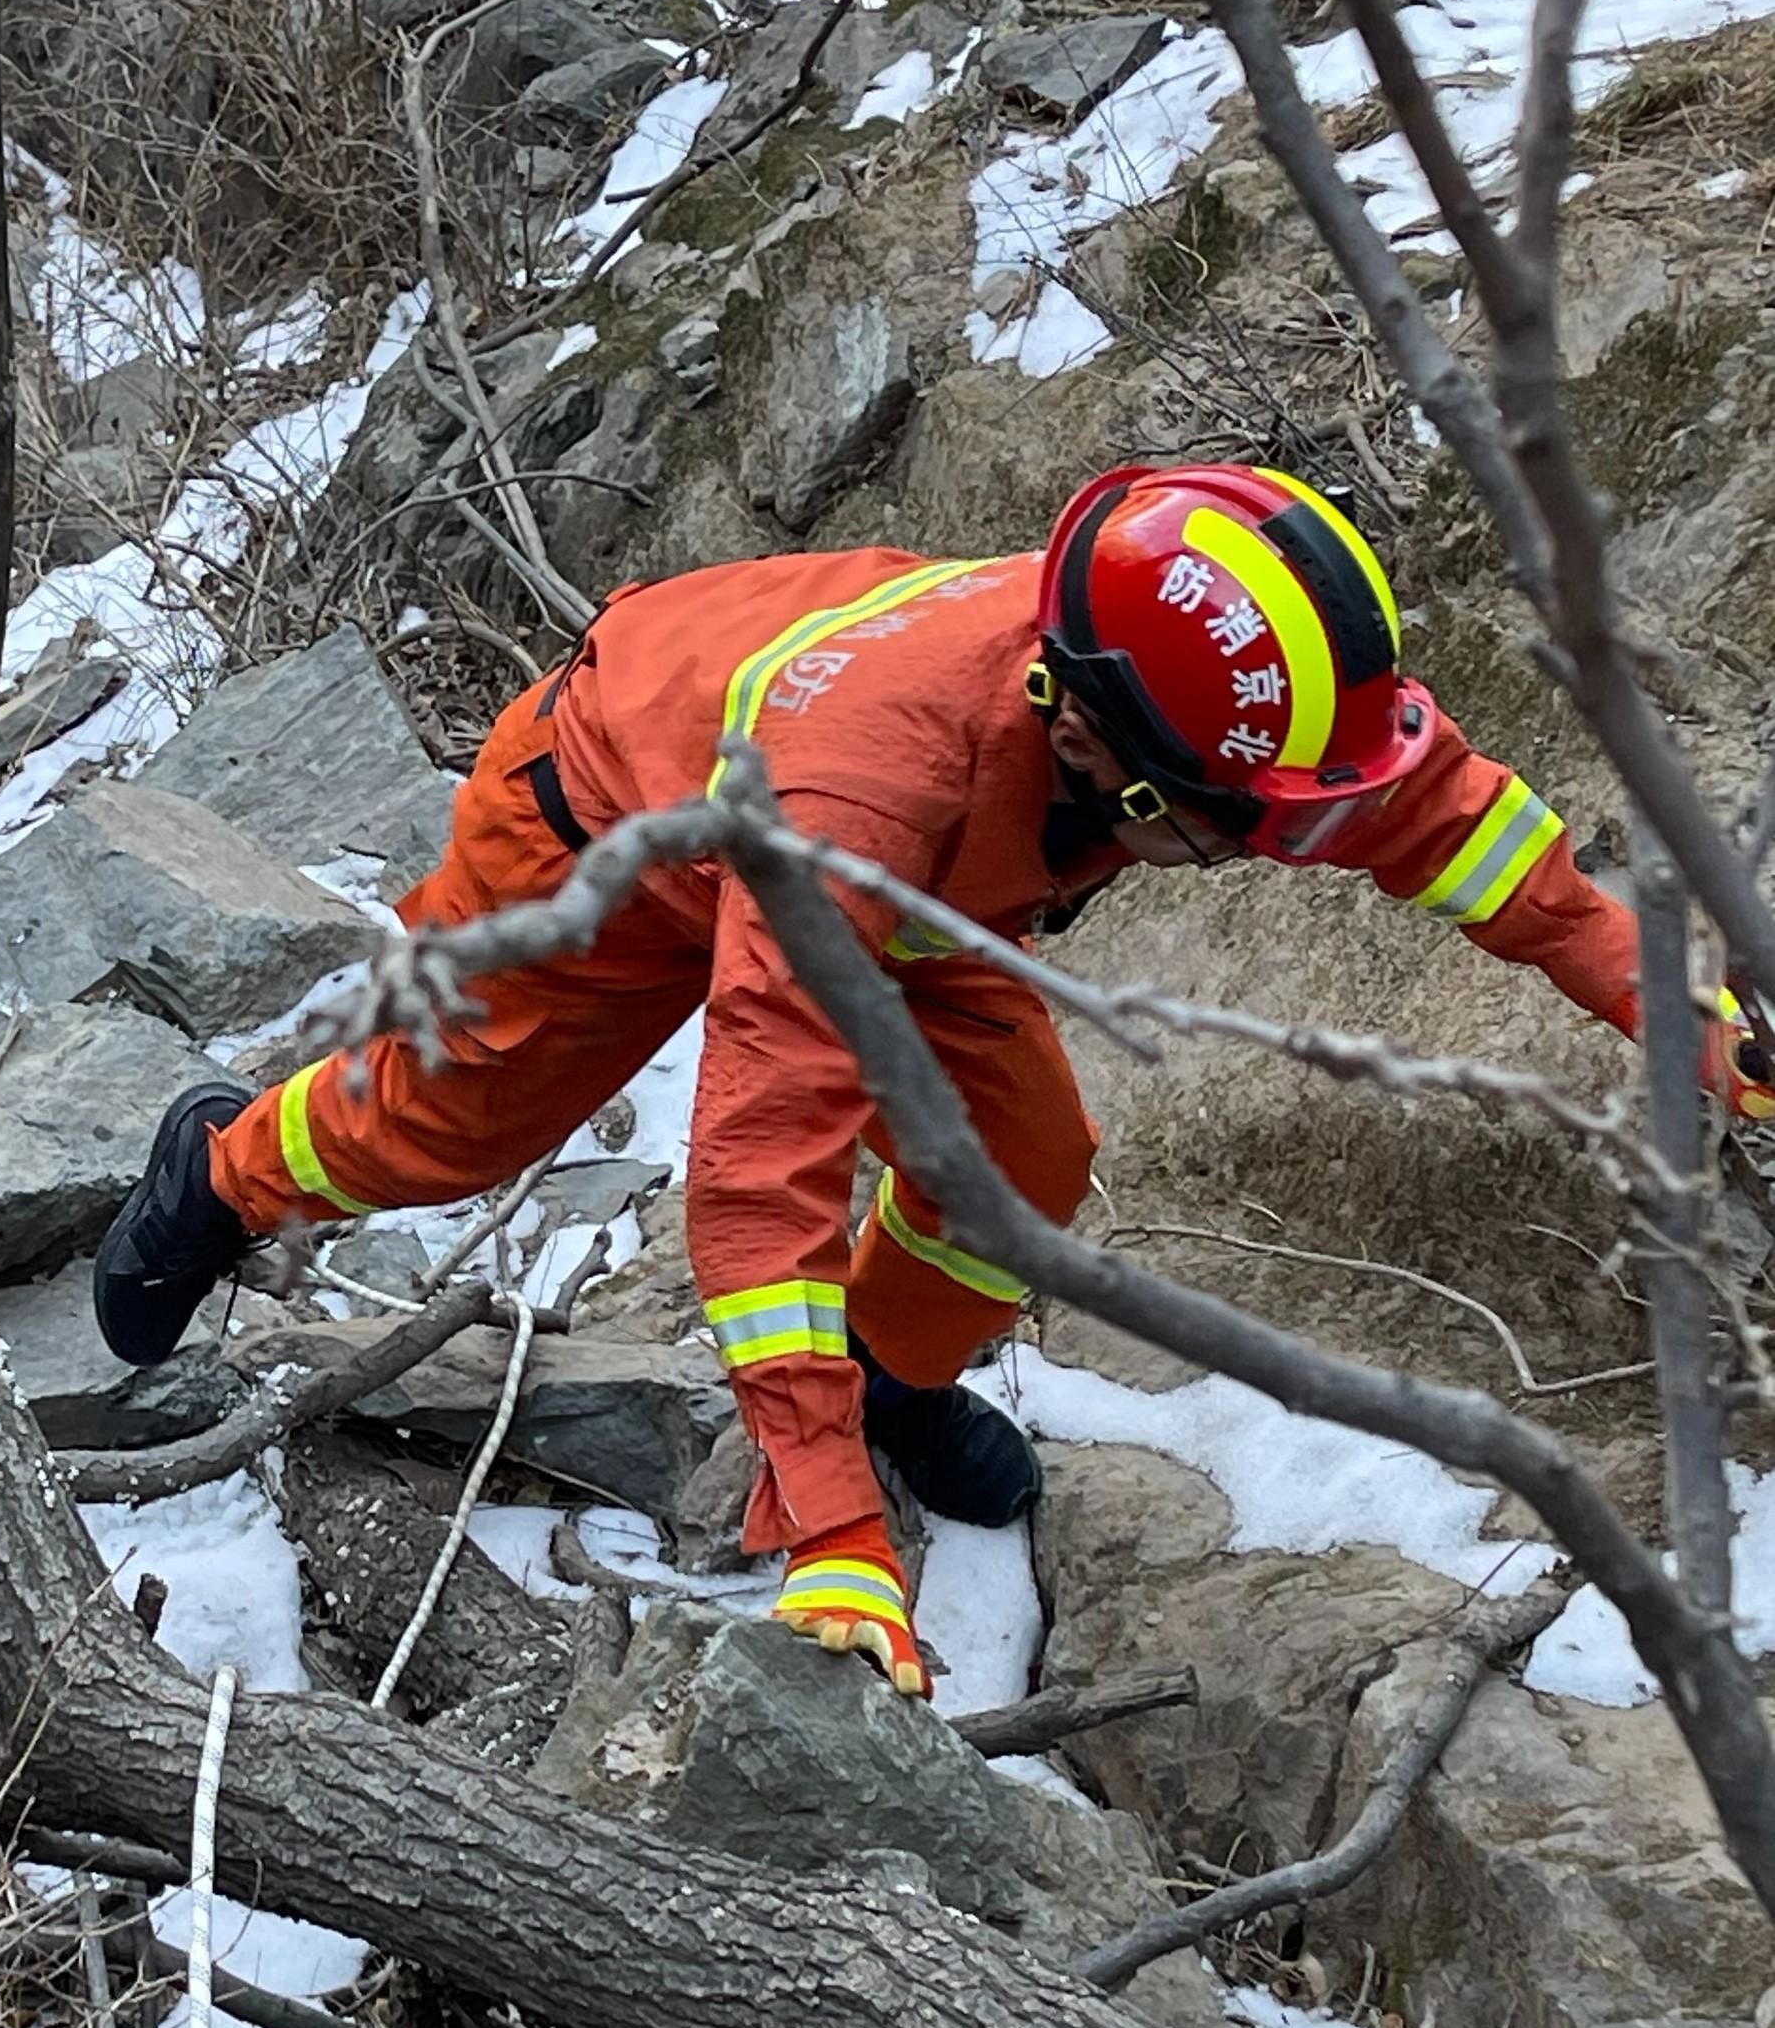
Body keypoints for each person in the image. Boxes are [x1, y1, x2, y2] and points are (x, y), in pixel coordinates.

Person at [93, 462, 1775, 1697]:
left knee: (1022, 1159)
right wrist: (834, 1537)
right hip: (618, 816)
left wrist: (1689, 1021)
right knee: (449, 1126)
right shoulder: (876, 787)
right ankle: (223, 1173)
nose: (1270, 853)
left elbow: (1475, 842)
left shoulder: (1234, 719)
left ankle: (898, 1378)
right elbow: (757, 1187)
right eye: (1230, 831)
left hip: (932, 885)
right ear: (1100, 753)